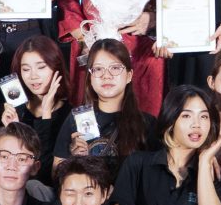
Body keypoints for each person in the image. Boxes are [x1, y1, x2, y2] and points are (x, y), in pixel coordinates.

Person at [53, 39, 150, 178]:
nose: (106, 76)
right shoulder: (76, 119)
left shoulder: (147, 124)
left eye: (115, 68)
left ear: (129, 76)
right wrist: (73, 160)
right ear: (90, 77)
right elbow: (56, 174)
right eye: (98, 69)